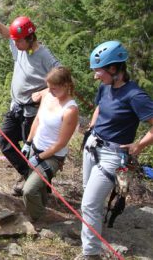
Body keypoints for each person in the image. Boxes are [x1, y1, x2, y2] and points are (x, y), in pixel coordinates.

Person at [80, 41, 153, 259]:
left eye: (98, 71)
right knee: (89, 197)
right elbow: (100, 107)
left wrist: (138, 145)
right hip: (93, 146)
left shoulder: (135, 95)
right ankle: (94, 232)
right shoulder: (105, 87)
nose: (95, 76)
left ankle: (90, 253)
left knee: (89, 204)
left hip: (112, 155)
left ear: (114, 69)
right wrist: (92, 127)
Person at [0, 12, 60, 196]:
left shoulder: (43, 54)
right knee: (5, 142)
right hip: (16, 107)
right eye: (14, 41)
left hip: (32, 111)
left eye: (19, 41)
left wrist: (45, 91)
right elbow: (7, 33)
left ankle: (40, 186)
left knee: (34, 150)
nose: (14, 44)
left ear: (30, 38)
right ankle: (29, 175)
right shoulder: (20, 47)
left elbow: (62, 76)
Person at [21, 67, 79, 221]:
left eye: (54, 88)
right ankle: (40, 213)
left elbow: (61, 143)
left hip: (52, 156)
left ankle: (40, 218)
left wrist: (40, 157)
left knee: (29, 190)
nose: (50, 91)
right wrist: (28, 143)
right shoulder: (47, 95)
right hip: (36, 147)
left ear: (66, 85)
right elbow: (38, 119)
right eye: (49, 87)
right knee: (38, 188)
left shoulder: (70, 110)